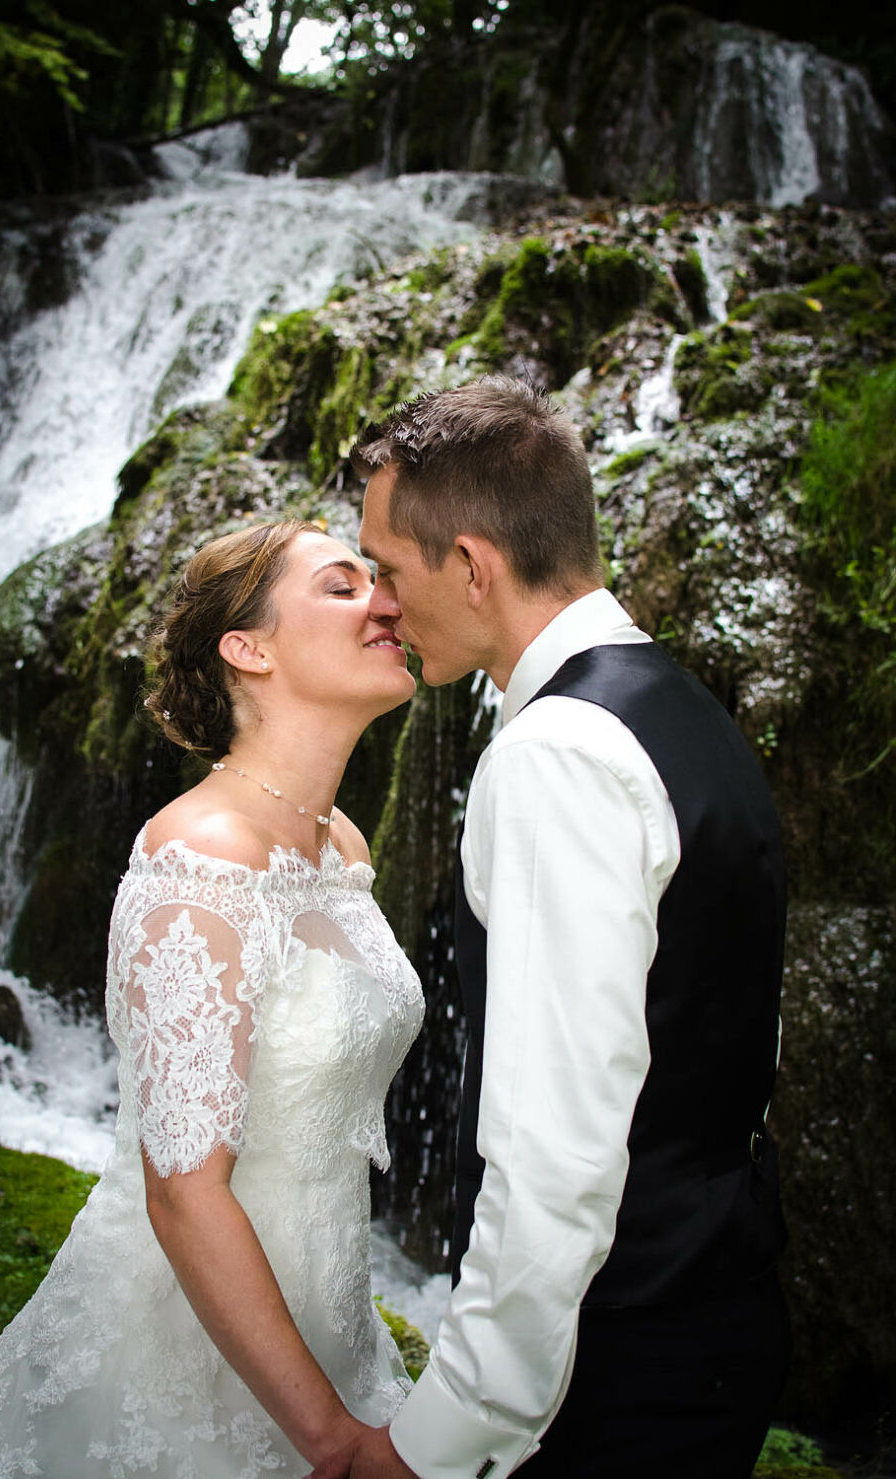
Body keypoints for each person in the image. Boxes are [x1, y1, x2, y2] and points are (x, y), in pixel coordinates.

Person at [319, 376, 789, 1479]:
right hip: (716, 1300)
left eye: (387, 568)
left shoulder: (554, 757)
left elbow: (551, 1158)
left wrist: (442, 1438)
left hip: (618, 1368)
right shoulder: (677, 705)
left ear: (472, 566)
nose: (378, 602)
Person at [0, 519, 424, 1478]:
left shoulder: (341, 844)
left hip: (329, 1320)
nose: (386, 601)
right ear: (249, 648)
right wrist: (332, 1441)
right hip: (179, 1360)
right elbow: (183, 1189)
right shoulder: (199, 862)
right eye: (342, 585)